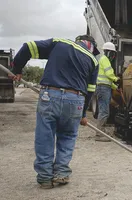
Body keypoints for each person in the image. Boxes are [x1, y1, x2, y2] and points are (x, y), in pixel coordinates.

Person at [9, 35, 100, 189]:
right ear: (92, 46)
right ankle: (61, 173)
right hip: (76, 99)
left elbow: (28, 46)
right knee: (68, 136)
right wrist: (82, 114)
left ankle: (45, 177)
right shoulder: (93, 59)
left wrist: (17, 69)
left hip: (50, 94)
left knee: (45, 135)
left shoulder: (60, 43)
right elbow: (90, 91)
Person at [95, 42, 120, 142]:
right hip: (103, 88)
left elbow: (107, 80)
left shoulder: (103, 60)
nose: (113, 55)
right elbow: (109, 74)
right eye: (112, 53)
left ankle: (101, 131)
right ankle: (99, 134)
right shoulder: (104, 60)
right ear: (108, 52)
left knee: (105, 111)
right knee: (104, 111)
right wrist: (116, 79)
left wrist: (115, 87)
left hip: (105, 87)